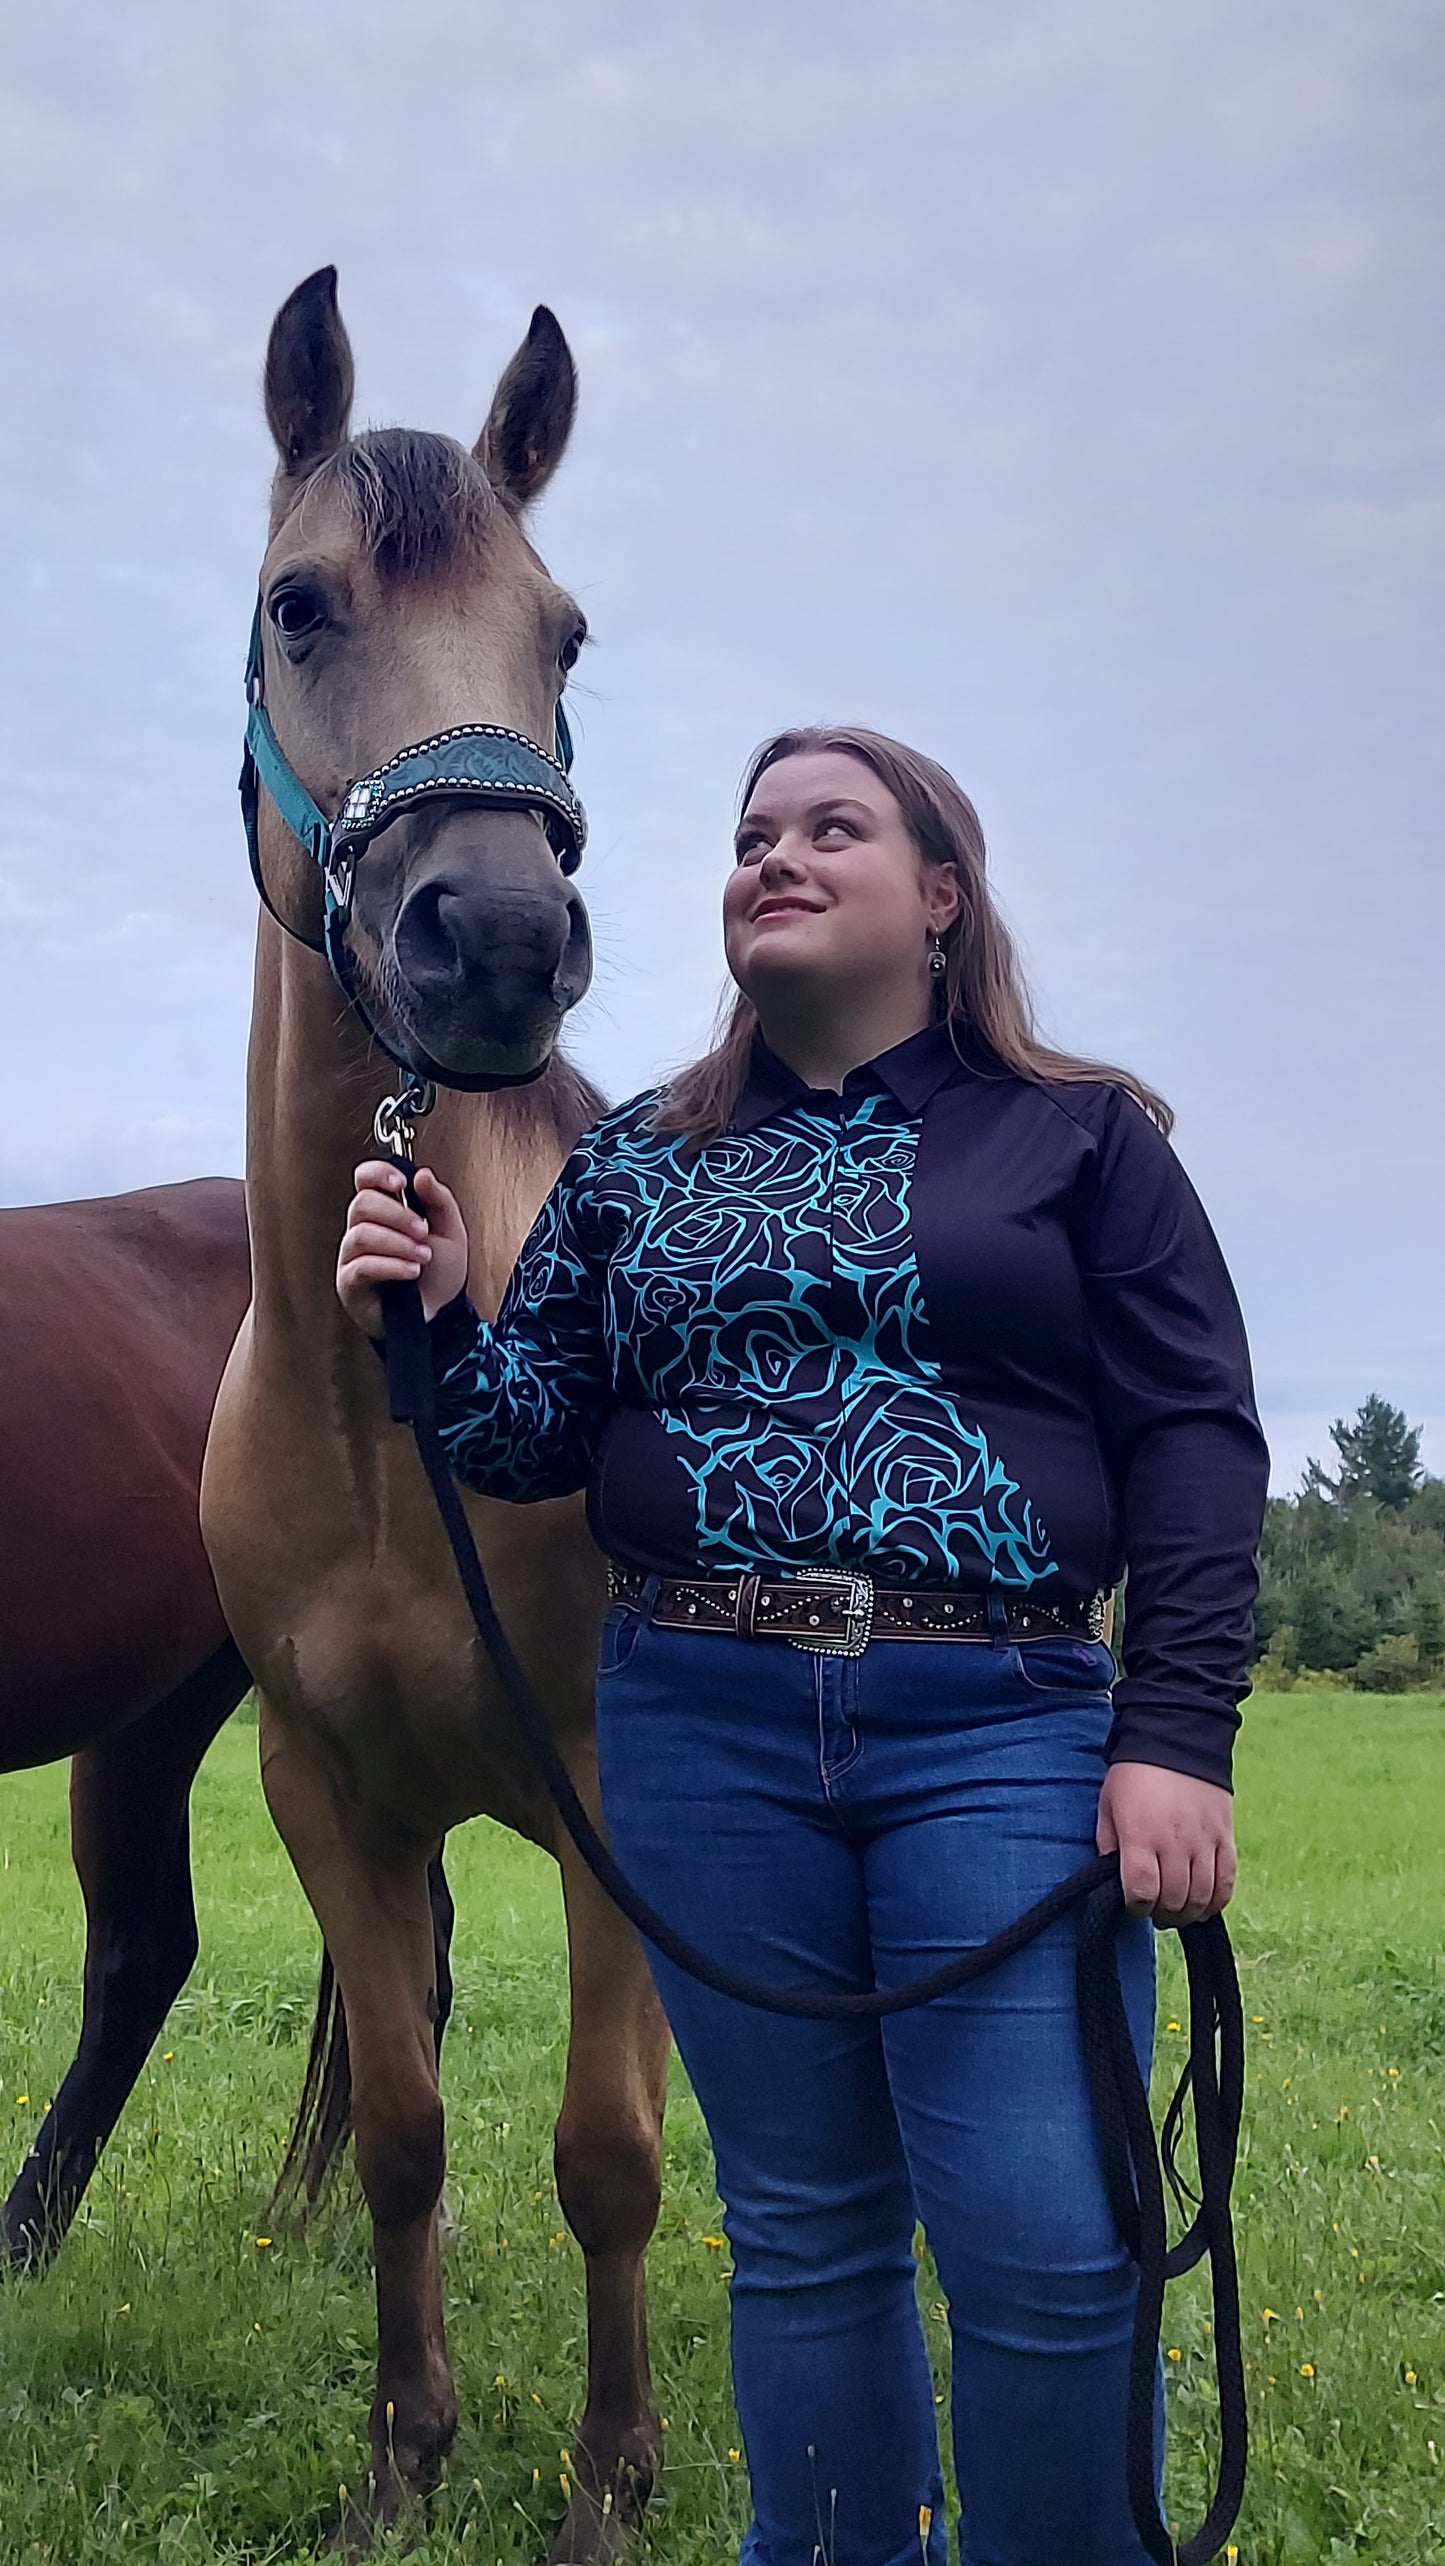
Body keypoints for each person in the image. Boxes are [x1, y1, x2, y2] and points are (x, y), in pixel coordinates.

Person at [337, 727, 1268, 2566]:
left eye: (829, 826)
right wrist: (438, 1317)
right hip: (702, 1725)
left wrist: (1174, 1731)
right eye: (751, 832)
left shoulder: (1080, 1139)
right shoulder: (636, 1167)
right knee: (802, 2234)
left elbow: (1193, 1436)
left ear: (940, 896)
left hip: (993, 1726)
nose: (773, 852)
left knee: (1050, 2239)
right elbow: (530, 1436)